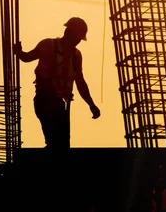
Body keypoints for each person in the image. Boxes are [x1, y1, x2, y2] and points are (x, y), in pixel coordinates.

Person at [13, 16, 101, 149]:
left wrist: (91, 104)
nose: (78, 41)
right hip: (44, 101)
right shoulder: (48, 45)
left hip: (59, 104)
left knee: (63, 143)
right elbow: (27, 57)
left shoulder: (76, 56)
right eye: (77, 37)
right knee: (54, 141)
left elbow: (80, 82)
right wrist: (18, 52)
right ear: (68, 33)